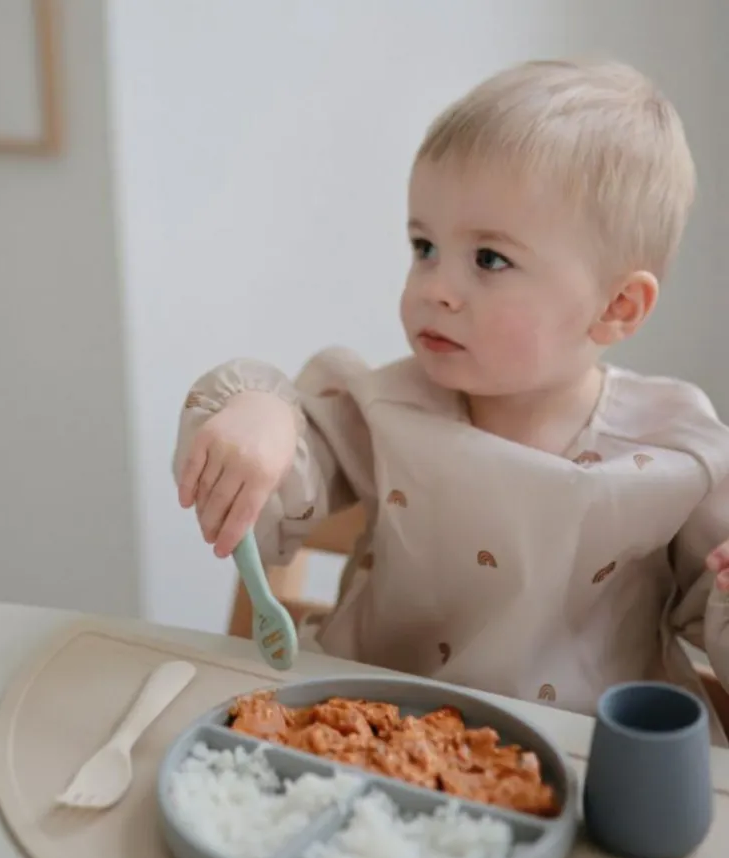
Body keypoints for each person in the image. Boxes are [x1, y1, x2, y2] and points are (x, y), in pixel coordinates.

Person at [171, 59, 729, 742]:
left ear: (617, 306)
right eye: (425, 246)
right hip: (367, 737)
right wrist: (261, 413)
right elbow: (287, 466)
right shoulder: (389, 406)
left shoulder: (676, 451)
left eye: (489, 259)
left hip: (587, 767)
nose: (434, 287)